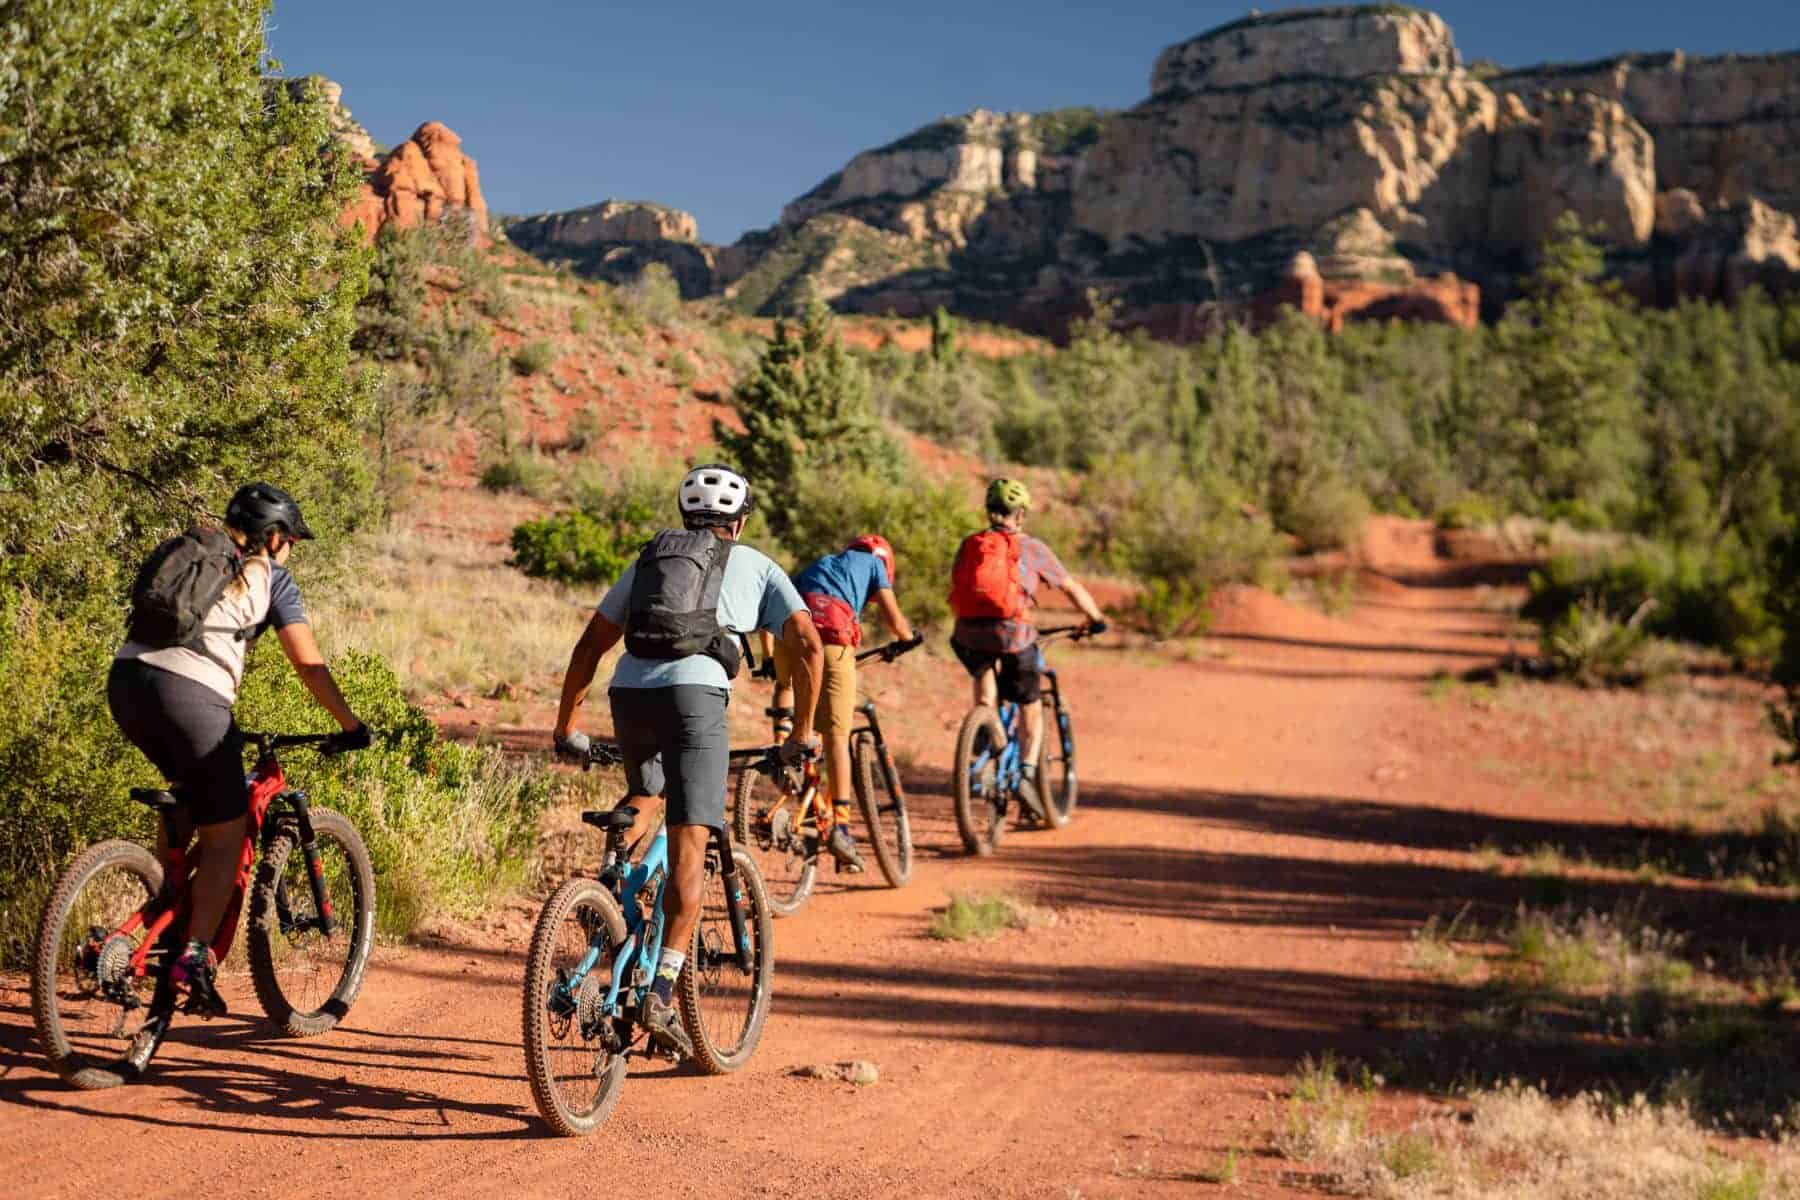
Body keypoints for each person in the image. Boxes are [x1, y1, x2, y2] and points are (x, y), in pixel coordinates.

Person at [552, 464, 823, 1057]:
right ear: (740, 521)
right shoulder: (755, 564)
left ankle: (610, 891)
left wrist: (566, 726)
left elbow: (590, 644)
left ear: (685, 519)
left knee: (646, 794)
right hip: (695, 699)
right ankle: (662, 995)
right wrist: (801, 731)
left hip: (629, 694)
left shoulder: (651, 561)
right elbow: (807, 642)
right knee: (690, 846)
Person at [108, 483, 369, 1015]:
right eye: (291, 540)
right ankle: (194, 956)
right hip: (192, 697)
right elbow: (309, 665)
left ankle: (168, 907)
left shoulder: (195, 552)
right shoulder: (272, 577)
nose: (291, 549)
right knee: (227, 835)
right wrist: (351, 723)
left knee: (189, 792)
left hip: (127, 684)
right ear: (273, 538)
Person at [948, 478, 1105, 817]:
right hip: (1014, 632)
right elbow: (1069, 587)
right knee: (1030, 704)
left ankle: (985, 724)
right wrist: (1095, 619)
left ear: (990, 512)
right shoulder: (1031, 547)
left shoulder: (970, 544)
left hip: (967, 633)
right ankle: (1028, 775)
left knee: (984, 670)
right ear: (1020, 514)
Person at [765, 534, 916, 873]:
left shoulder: (819, 564)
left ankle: (782, 743)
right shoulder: (874, 564)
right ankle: (843, 827)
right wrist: (907, 639)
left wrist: (767, 658)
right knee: (836, 734)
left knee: (787, 685)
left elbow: (774, 602)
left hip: (788, 639)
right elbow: (894, 618)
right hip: (833, 642)